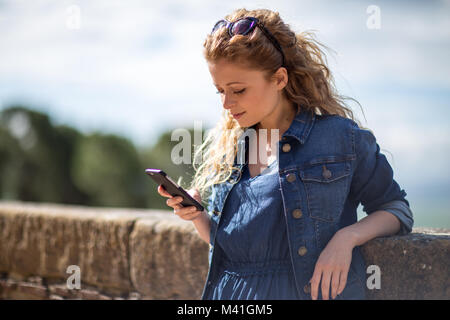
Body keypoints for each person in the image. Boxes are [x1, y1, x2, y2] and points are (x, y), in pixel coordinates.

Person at [157, 8, 414, 300]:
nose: (227, 103)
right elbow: (230, 249)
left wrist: (347, 238)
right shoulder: (229, 147)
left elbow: (396, 209)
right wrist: (198, 216)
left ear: (279, 79)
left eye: (238, 90)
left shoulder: (341, 138)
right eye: (220, 91)